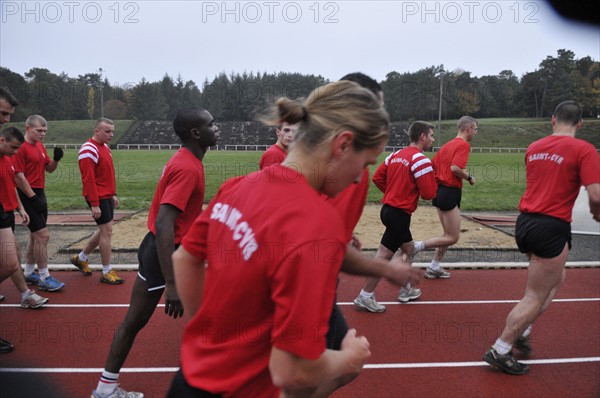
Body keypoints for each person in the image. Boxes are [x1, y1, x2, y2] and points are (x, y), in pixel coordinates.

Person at [168, 81, 416, 397]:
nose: (358, 177)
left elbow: (184, 259)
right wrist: (348, 359)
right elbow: (293, 372)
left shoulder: (238, 186)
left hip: (188, 380)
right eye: (366, 162)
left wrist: (209, 338)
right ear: (342, 145)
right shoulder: (316, 226)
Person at [90, 108, 220, 398]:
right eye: (212, 124)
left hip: (168, 250)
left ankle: (105, 388)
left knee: (212, 311)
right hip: (166, 253)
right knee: (136, 321)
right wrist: (172, 284)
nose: (217, 128)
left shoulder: (188, 160)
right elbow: (164, 223)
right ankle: (106, 389)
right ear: (196, 133)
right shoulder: (187, 167)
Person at [483, 100, 600, 375]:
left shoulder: (534, 147)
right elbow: (595, 195)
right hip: (551, 227)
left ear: (553, 120)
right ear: (580, 124)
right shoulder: (584, 149)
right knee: (534, 295)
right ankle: (501, 348)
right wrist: (597, 214)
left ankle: (523, 328)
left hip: (524, 223)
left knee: (556, 280)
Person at [354, 121, 437, 312]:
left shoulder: (395, 155)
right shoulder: (421, 160)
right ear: (422, 136)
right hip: (399, 214)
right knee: (384, 255)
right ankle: (365, 296)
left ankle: (406, 289)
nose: (432, 139)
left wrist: (392, 192)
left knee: (408, 248)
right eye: (431, 135)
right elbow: (428, 194)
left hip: (389, 210)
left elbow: (377, 178)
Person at [1, 126, 49, 353]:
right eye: (12, 148)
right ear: (2, 140)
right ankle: (25, 293)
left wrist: (20, 208)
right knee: (11, 262)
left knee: (11, 260)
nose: (14, 152)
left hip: (8, 212)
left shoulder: (8, 159)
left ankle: (25, 294)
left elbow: (11, 185)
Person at [412, 116, 478, 279]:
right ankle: (416, 246)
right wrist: (469, 177)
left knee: (446, 234)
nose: (475, 133)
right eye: (475, 130)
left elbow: (432, 166)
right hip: (449, 191)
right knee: (452, 237)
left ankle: (434, 266)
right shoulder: (463, 145)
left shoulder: (447, 145)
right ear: (468, 129)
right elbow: (456, 168)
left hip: (441, 191)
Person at [13, 115, 65, 292]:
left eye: (45, 131)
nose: (42, 134)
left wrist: (56, 160)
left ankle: (28, 273)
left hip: (39, 193)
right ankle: (44, 276)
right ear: (28, 128)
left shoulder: (40, 146)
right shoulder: (20, 148)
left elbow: (48, 169)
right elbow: (18, 176)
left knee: (35, 236)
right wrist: (33, 198)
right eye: (39, 131)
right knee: (43, 236)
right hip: (28, 194)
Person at [70, 118, 123, 284]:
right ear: (96, 131)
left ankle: (81, 258)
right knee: (107, 231)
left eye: (112, 131)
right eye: (107, 131)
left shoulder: (105, 147)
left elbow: (108, 172)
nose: (111, 134)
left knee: (104, 230)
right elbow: (88, 178)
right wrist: (94, 203)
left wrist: (113, 193)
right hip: (97, 196)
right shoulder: (88, 149)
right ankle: (107, 271)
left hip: (106, 195)